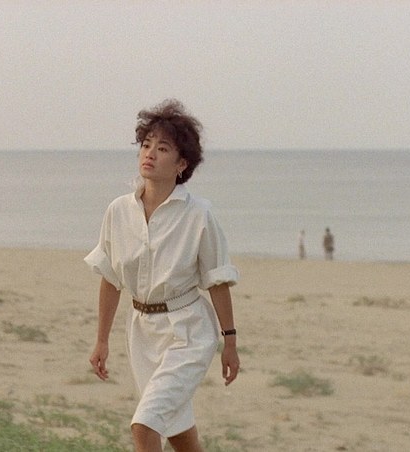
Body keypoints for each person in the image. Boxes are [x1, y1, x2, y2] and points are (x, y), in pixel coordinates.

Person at [85, 99, 240, 452]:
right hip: (141, 333)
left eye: (163, 148)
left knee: (145, 425)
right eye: (146, 145)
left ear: (182, 164)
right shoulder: (118, 211)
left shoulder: (198, 214)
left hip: (188, 332)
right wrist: (101, 340)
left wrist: (229, 343)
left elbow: (217, 281)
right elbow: (110, 278)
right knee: (178, 432)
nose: (150, 154)